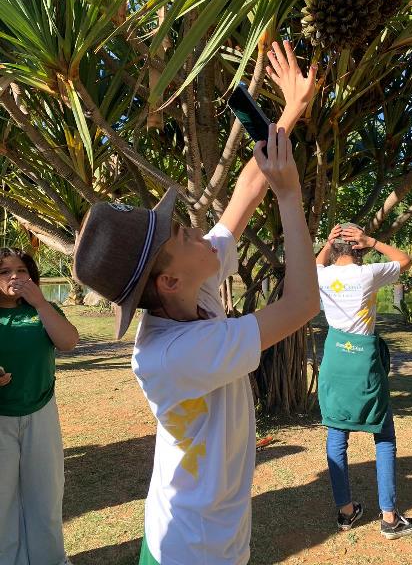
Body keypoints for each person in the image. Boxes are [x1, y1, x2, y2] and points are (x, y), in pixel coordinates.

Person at [73, 40, 319, 565]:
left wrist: (291, 112)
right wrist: (292, 196)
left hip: (208, 534)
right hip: (192, 551)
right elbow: (301, 304)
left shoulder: (191, 290)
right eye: (183, 235)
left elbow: (243, 197)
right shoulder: (176, 352)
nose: (201, 237)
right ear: (167, 282)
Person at [315, 223, 412, 539]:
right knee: (383, 434)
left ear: (334, 248)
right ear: (358, 249)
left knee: (337, 434)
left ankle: (346, 513)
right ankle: (389, 518)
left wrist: (329, 242)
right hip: (363, 364)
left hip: (334, 361)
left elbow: (316, 264)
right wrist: (372, 240)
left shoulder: (322, 276)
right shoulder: (367, 275)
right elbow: (405, 260)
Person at [0, 247, 79, 565]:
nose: (15, 277)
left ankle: (51, 560)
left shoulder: (44, 309)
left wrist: (40, 303)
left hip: (40, 412)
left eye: (21, 270)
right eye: (5, 271)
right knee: (2, 499)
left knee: (45, 493)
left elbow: (68, 342)